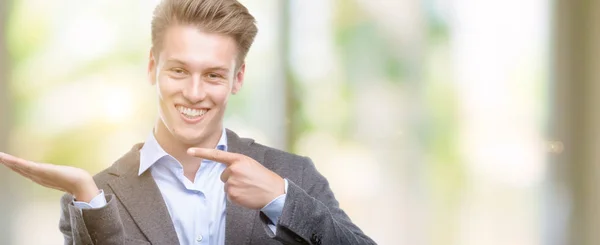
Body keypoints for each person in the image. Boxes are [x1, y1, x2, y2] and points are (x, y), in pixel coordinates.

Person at [0, 0, 376, 244]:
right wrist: (90, 201)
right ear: (153, 67)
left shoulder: (291, 175)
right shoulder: (91, 199)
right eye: (179, 71)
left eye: (213, 75)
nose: (194, 93)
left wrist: (282, 199)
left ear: (238, 78)